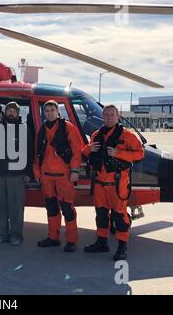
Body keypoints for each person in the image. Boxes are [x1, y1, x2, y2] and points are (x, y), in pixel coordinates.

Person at [83, 105, 144, 260]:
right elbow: (85, 153)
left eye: (112, 115)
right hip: (99, 183)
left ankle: (122, 247)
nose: (109, 117)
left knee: (119, 216)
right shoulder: (96, 135)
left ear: (118, 116)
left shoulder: (127, 136)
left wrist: (119, 153)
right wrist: (88, 149)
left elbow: (140, 154)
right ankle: (102, 242)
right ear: (103, 117)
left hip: (117, 183)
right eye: (106, 115)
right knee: (101, 214)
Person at [34, 100, 82, 253]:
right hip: (47, 176)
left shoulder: (68, 128)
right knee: (51, 208)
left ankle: (71, 240)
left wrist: (75, 170)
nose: (49, 113)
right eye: (46, 111)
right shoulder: (42, 129)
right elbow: (37, 154)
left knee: (67, 208)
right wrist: (37, 173)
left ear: (58, 111)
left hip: (63, 176)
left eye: (52, 110)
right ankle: (53, 238)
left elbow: (76, 151)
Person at [0, 102, 34, 246]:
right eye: (8, 110)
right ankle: (0, 234)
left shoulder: (24, 129)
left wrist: (28, 172)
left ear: (17, 113)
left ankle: (16, 235)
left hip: (17, 175)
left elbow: (29, 152)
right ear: (4, 112)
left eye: (13, 111)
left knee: (16, 206)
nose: (11, 113)